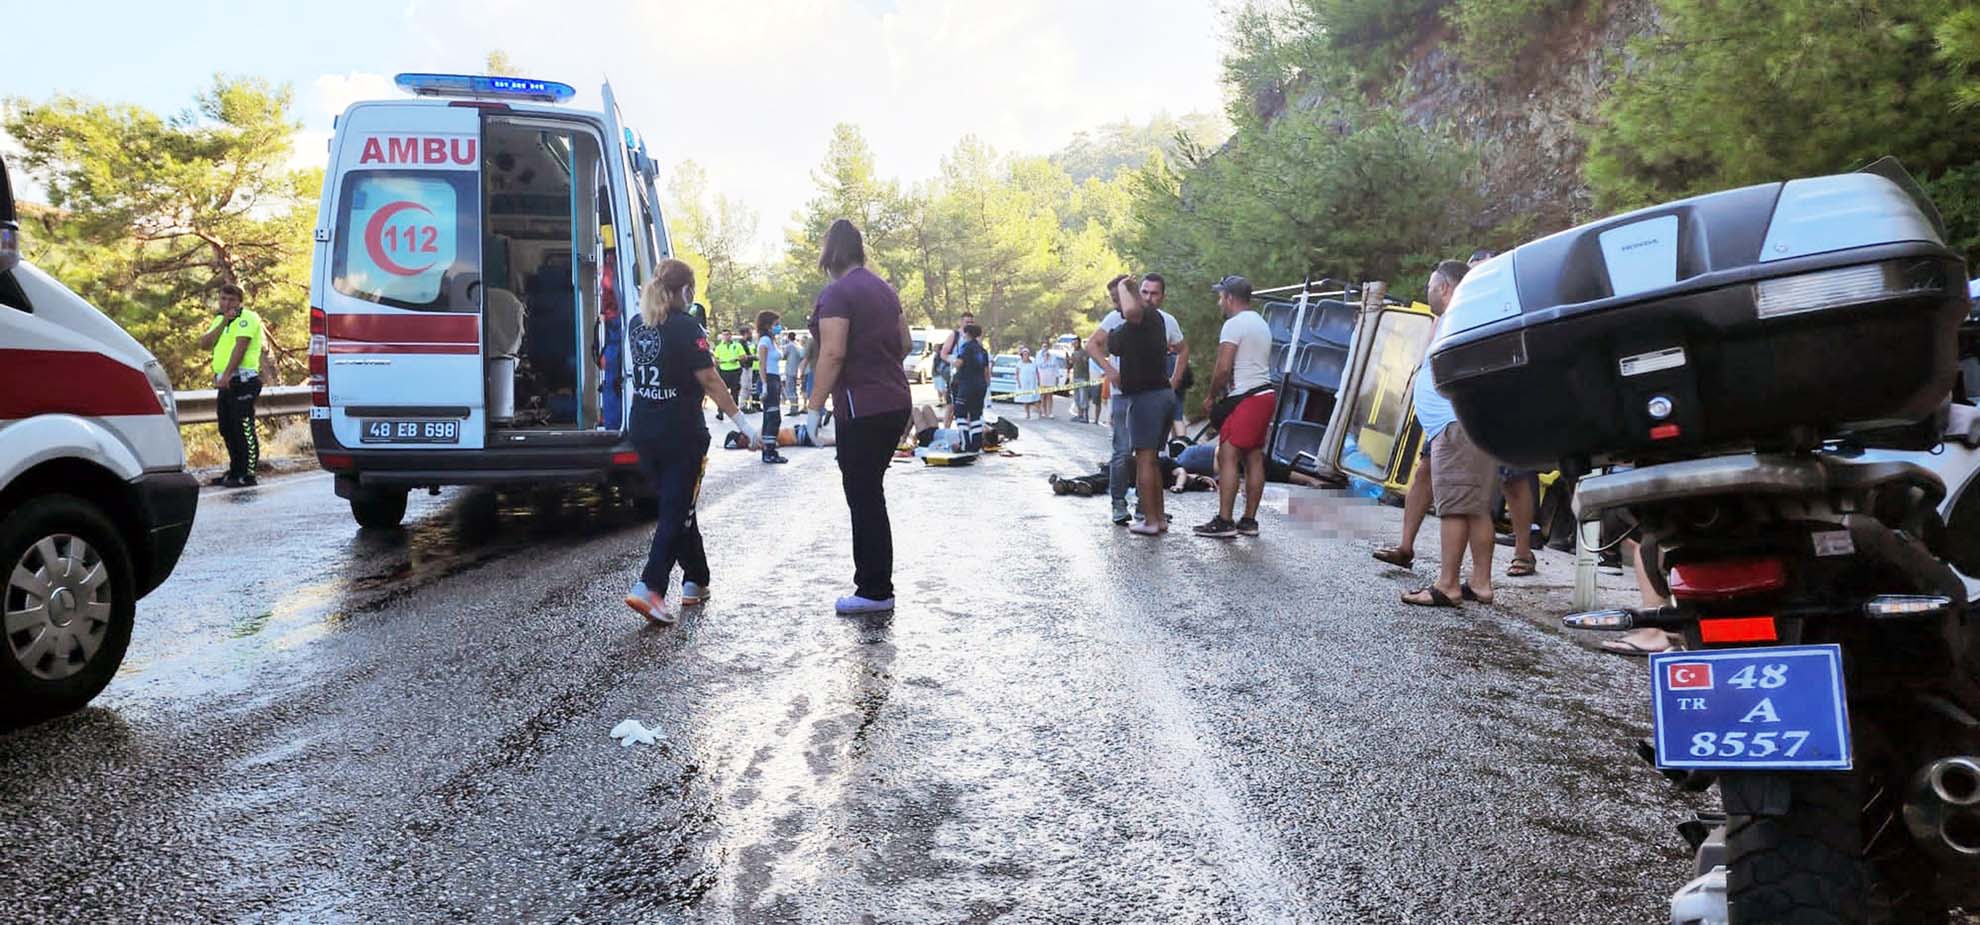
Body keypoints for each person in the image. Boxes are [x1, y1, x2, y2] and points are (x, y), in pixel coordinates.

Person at [623, 260, 760, 624]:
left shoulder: (637, 323)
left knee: (679, 505)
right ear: (685, 290)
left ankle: (696, 579)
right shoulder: (686, 326)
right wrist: (744, 424)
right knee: (676, 509)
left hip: (643, 428)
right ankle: (651, 586)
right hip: (680, 431)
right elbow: (711, 381)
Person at [807, 219, 914, 614]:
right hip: (895, 400)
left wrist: (814, 407)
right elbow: (904, 342)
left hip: (861, 406)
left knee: (863, 495)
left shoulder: (837, 293)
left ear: (829, 253)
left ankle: (874, 590)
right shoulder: (885, 290)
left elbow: (833, 353)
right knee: (871, 492)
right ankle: (875, 585)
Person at [1400, 260, 1499, 607]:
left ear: (1444, 287)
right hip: (1465, 425)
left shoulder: (1463, 316)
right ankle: (1480, 583)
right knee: (1474, 507)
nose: (1427, 291)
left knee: (1455, 507)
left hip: (1456, 426)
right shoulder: (1461, 315)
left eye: (1430, 286)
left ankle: (1448, 585)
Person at [1088, 274, 1186, 536]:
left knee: (1144, 459)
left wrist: (1125, 287)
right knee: (1152, 461)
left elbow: (1127, 320)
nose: (1116, 306)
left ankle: (1150, 520)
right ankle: (1158, 518)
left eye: (1118, 299)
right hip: (1159, 395)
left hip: (1146, 397)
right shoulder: (1152, 319)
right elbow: (1105, 343)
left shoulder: (1140, 317)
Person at [1194, 276, 1276, 539]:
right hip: (1265, 394)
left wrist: (1211, 396)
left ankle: (1225, 520)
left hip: (1246, 397)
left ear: (1229, 297)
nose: (1219, 302)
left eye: (1221, 297)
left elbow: (1223, 368)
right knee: (1253, 456)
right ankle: (1249, 521)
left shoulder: (1234, 324)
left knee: (1227, 455)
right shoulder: (1261, 323)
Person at [196, 283, 266, 487]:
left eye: (231, 300)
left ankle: (248, 473)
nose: (227, 303)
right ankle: (235, 470)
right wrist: (223, 322)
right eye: (223, 299)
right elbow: (204, 344)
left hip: (242, 380)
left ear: (240, 302)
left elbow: (240, 347)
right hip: (225, 382)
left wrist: (227, 375)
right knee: (226, 427)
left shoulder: (248, 318)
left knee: (243, 426)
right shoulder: (220, 319)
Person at [755, 311, 791, 465]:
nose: (779, 327)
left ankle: (768, 450)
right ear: (767, 325)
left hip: (774, 379)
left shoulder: (772, 341)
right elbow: (762, 364)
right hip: (768, 379)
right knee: (773, 417)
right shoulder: (764, 341)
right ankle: (769, 452)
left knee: (770, 417)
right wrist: (764, 385)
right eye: (776, 324)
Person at [949, 323, 991, 450]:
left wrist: (951, 359)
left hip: (967, 385)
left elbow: (959, 363)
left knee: (960, 413)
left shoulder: (966, 347)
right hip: (980, 386)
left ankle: (965, 444)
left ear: (967, 334)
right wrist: (986, 386)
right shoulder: (982, 350)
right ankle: (976, 445)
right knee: (976, 415)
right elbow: (986, 371)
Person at [938, 312, 975, 427]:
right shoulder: (955, 335)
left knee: (969, 406)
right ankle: (946, 430)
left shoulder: (975, 337)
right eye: (967, 322)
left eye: (971, 322)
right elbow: (943, 354)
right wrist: (954, 361)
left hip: (969, 376)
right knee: (951, 406)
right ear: (961, 322)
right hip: (955, 375)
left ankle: (968, 431)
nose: (969, 324)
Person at [713, 331, 744, 419]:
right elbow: (716, 359)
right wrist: (719, 361)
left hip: (735, 371)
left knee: (735, 392)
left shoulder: (737, 345)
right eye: (724, 335)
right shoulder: (719, 347)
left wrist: (736, 359)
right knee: (722, 392)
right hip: (723, 371)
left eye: (727, 335)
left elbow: (743, 356)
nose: (726, 336)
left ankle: (736, 413)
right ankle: (720, 412)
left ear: (730, 336)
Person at [1036, 342, 1063, 419]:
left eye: (1046, 346)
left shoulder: (1053, 357)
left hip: (1051, 379)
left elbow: (1056, 368)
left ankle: (1050, 412)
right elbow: (1037, 368)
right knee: (1042, 396)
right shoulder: (1038, 356)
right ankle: (1043, 412)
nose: (1045, 348)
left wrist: (1057, 379)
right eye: (1043, 346)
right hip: (1042, 379)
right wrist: (1045, 359)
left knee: (1049, 396)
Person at [781, 331, 804, 415]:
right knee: (794, 390)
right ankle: (795, 407)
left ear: (788, 338)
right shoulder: (798, 345)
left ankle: (793, 409)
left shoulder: (789, 346)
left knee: (790, 389)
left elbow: (783, 355)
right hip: (796, 369)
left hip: (790, 370)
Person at [1015, 347, 1040, 419]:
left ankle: (1040, 412)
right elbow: (1017, 374)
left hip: (1032, 384)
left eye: (1027, 354)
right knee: (1025, 400)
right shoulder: (1019, 363)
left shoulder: (1033, 363)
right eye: (1024, 354)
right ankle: (1028, 414)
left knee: (1035, 399)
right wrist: (1019, 383)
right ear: (1022, 355)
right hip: (1023, 384)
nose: (1026, 356)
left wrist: (1039, 381)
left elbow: (1037, 373)